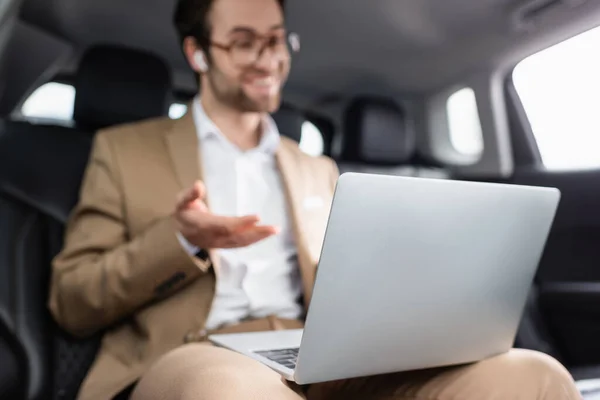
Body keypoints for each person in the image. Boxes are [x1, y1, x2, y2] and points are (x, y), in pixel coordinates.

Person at [48, 0, 582, 398]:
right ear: (198, 52)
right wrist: (181, 240)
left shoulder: (315, 167)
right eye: (243, 41)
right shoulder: (123, 152)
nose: (269, 58)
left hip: (318, 359)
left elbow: (344, 280)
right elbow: (71, 301)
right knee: (235, 392)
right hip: (196, 353)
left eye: (277, 39)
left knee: (531, 376)